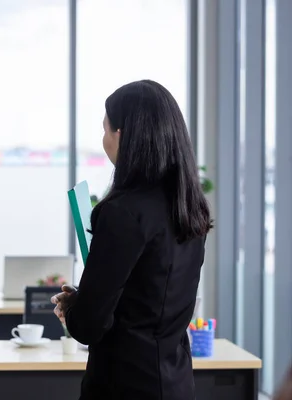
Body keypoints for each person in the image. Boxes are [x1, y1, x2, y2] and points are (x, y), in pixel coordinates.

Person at [51, 80, 212, 399]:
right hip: (175, 382)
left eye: (105, 130)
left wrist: (73, 309)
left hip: (123, 385)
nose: (104, 140)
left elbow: (88, 326)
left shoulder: (122, 212)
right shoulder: (188, 206)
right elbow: (150, 296)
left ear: (121, 136)